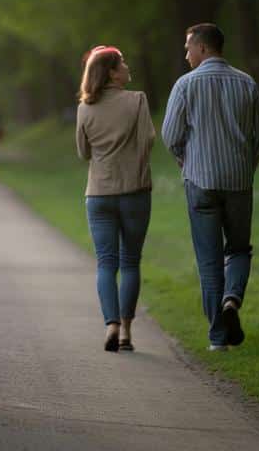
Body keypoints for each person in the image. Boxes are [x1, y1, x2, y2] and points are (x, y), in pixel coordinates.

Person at [161, 23, 259, 352]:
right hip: (238, 181)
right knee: (238, 249)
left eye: (189, 48)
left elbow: (170, 135)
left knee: (208, 261)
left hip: (200, 182)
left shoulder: (185, 85)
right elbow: (257, 138)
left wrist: (185, 160)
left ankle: (218, 338)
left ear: (203, 48)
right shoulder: (247, 83)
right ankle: (231, 300)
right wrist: (245, 169)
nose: (186, 54)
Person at [75, 45, 155, 352]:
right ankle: (127, 333)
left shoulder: (85, 108)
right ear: (111, 71)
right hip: (134, 191)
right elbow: (147, 140)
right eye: (122, 63)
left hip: (99, 193)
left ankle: (111, 324)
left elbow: (83, 153)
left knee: (106, 263)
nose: (127, 67)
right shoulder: (137, 101)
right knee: (131, 261)